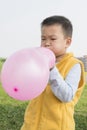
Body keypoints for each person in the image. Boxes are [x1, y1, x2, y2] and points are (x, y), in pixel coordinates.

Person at [21, 15, 85, 130]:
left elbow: (67, 96)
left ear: (67, 42)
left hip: (57, 126)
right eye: (43, 38)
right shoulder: (38, 62)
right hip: (32, 124)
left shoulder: (74, 65)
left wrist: (51, 68)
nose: (46, 43)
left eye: (53, 39)